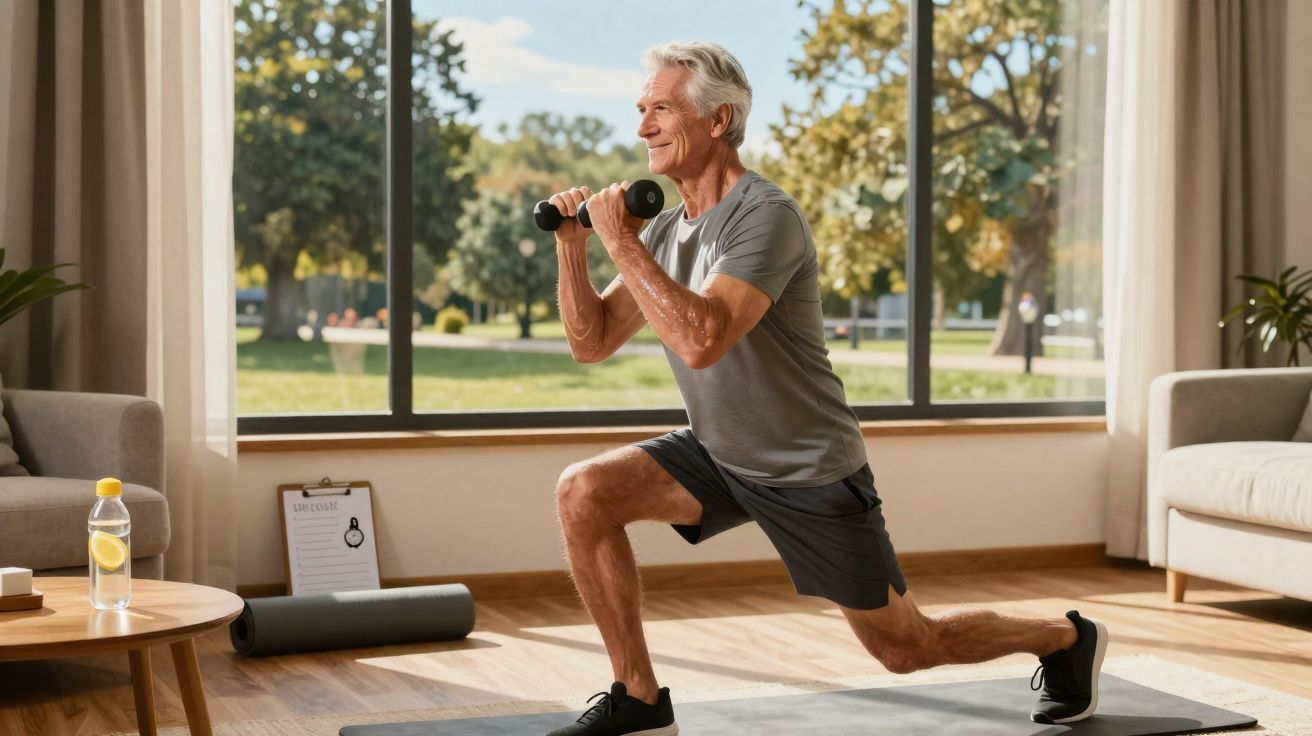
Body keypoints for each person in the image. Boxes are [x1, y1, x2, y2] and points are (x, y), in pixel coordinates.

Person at [544, 41, 1107, 736]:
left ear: (718, 121)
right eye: (641, 111)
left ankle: (1065, 638)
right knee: (585, 491)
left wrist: (621, 244)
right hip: (721, 453)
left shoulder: (765, 216)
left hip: (806, 468)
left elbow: (702, 338)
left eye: (660, 109)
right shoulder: (663, 232)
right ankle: (637, 696)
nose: (643, 129)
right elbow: (590, 342)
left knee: (905, 646)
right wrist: (575, 246)